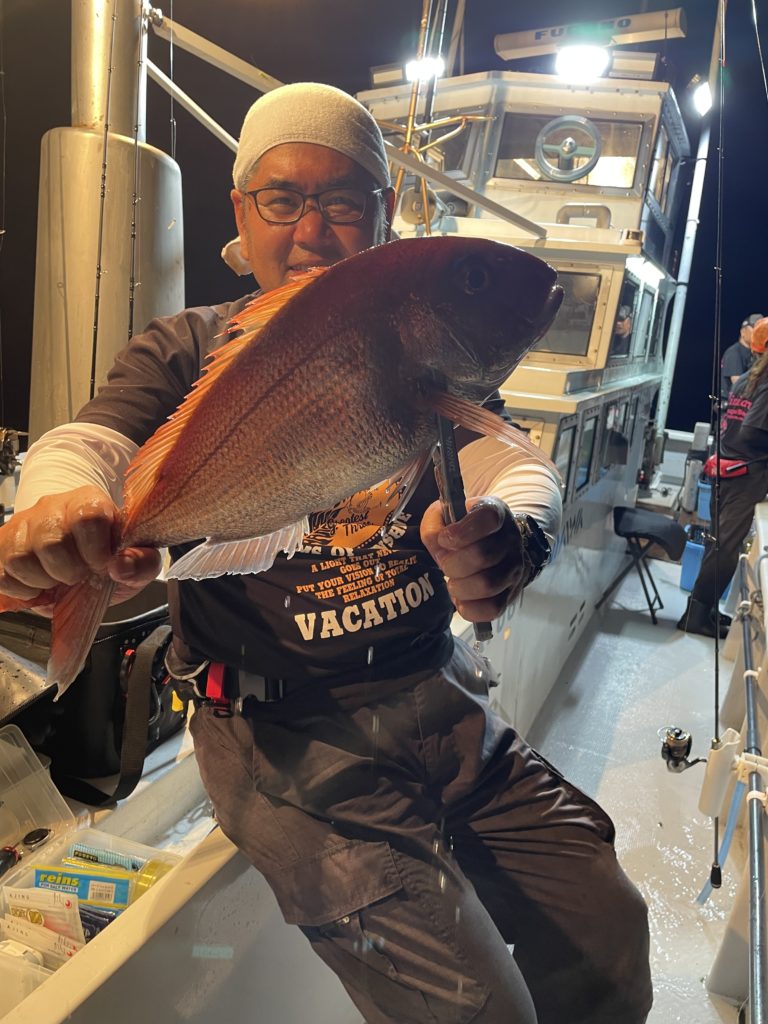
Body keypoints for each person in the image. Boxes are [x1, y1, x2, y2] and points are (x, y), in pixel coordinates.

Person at [0, 83, 652, 1023]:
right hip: (279, 739)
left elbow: (510, 464)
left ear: (383, 214)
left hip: (436, 698)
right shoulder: (187, 346)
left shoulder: (420, 344)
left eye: (343, 200)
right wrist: (60, 504)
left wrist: (514, 536)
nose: (312, 228)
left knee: (610, 924)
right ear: (241, 211)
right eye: (283, 198)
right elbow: (89, 443)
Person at [679, 315, 768, 639]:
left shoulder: (746, 377)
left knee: (718, 546)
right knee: (725, 550)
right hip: (744, 476)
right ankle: (694, 617)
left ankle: (705, 609)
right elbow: (752, 432)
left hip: (726, 472)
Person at [719, 312, 763, 405]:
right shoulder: (734, 353)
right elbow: (738, 384)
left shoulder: (757, 354)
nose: (758, 333)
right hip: (734, 409)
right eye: (755, 329)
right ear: (743, 332)